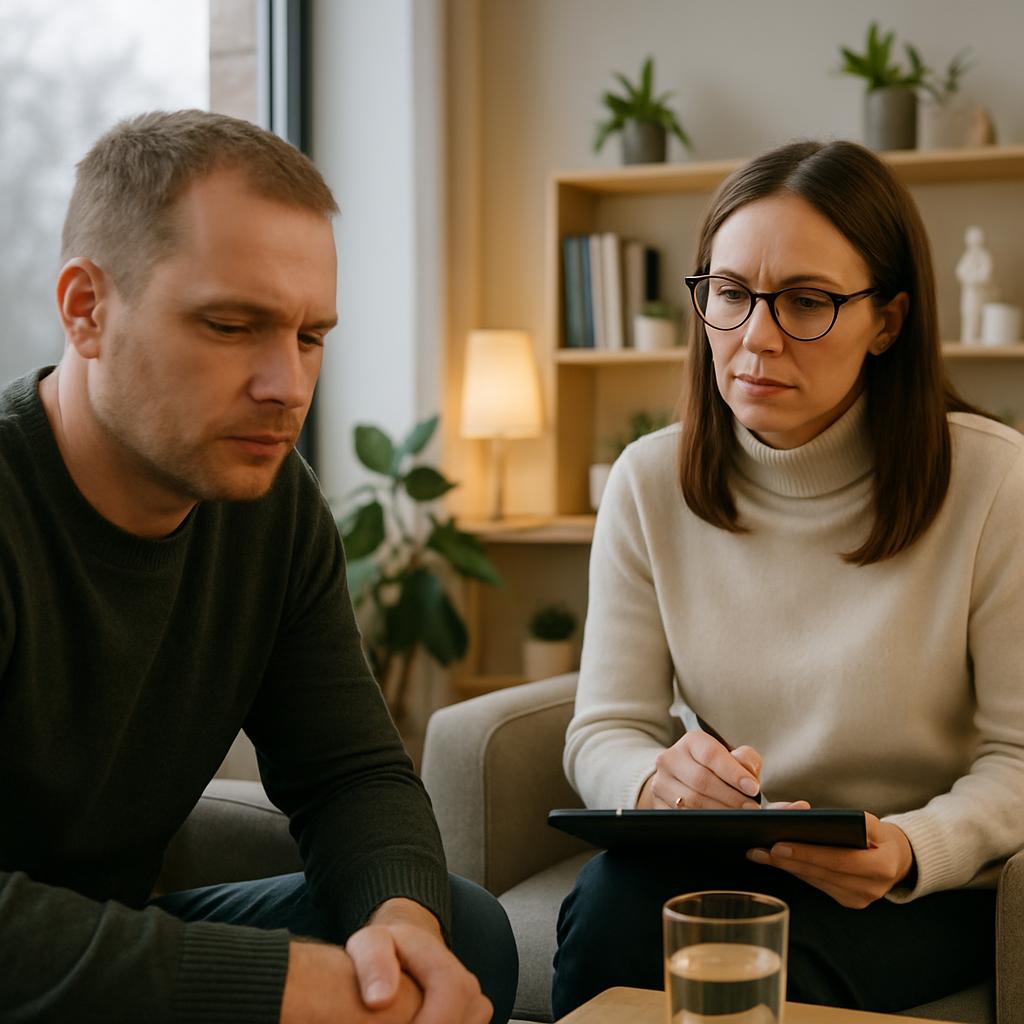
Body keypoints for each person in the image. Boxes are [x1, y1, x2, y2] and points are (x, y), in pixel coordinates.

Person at [0, 110, 517, 1024]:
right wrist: (273, 984)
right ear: (87, 309)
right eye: (233, 325)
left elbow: (350, 773)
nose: (287, 387)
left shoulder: (268, 507)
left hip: (112, 947)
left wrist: (398, 921)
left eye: (310, 336)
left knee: (452, 939)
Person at [552, 140, 1024, 1016]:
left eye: (807, 302)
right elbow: (605, 729)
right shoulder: (648, 482)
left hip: (915, 886)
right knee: (612, 915)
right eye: (729, 294)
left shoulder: (994, 482)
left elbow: (1019, 757)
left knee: (763, 961)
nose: (755, 338)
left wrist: (913, 848)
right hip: (732, 855)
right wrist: (656, 784)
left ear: (888, 320)